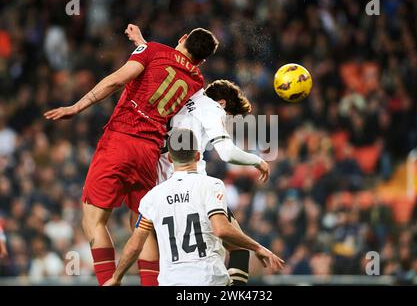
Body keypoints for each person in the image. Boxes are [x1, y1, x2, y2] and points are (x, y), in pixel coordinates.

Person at [44, 24, 219, 286]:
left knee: (93, 219)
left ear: (182, 38)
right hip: (149, 153)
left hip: (120, 140)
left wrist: (77, 106)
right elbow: (165, 73)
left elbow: (117, 80)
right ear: (203, 60)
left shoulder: (154, 51)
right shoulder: (196, 81)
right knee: (141, 225)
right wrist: (141, 44)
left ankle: (107, 283)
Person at [127, 25, 270, 285]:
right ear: (224, 104)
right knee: (239, 247)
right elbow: (226, 153)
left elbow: (162, 65)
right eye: (230, 119)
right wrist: (258, 161)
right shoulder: (213, 109)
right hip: (195, 187)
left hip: (160, 188)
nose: (226, 123)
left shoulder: (185, 91)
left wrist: (140, 42)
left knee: (165, 256)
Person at [104, 129, 284, 286]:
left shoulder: (153, 197)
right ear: (198, 155)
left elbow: (135, 246)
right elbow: (221, 230)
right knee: (241, 250)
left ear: (169, 157)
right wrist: (258, 247)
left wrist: (117, 277)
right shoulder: (211, 185)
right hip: (207, 281)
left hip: (171, 283)